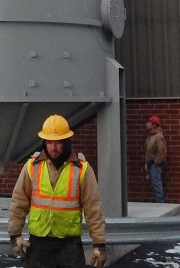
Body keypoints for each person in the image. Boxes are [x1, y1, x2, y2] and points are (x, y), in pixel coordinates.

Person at [8, 114, 107, 268]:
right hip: (39, 243)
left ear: (66, 141)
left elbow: (93, 208)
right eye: (49, 142)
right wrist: (15, 235)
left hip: (69, 245)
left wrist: (99, 244)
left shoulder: (82, 169)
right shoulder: (32, 166)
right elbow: (18, 202)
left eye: (58, 142)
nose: (53, 147)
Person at [145, 115, 167, 203]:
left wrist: (156, 163)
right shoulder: (150, 136)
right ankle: (158, 203)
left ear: (154, 125)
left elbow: (161, 151)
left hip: (155, 165)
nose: (147, 124)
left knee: (157, 185)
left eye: (149, 122)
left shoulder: (158, 136)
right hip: (150, 164)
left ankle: (160, 204)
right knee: (153, 185)